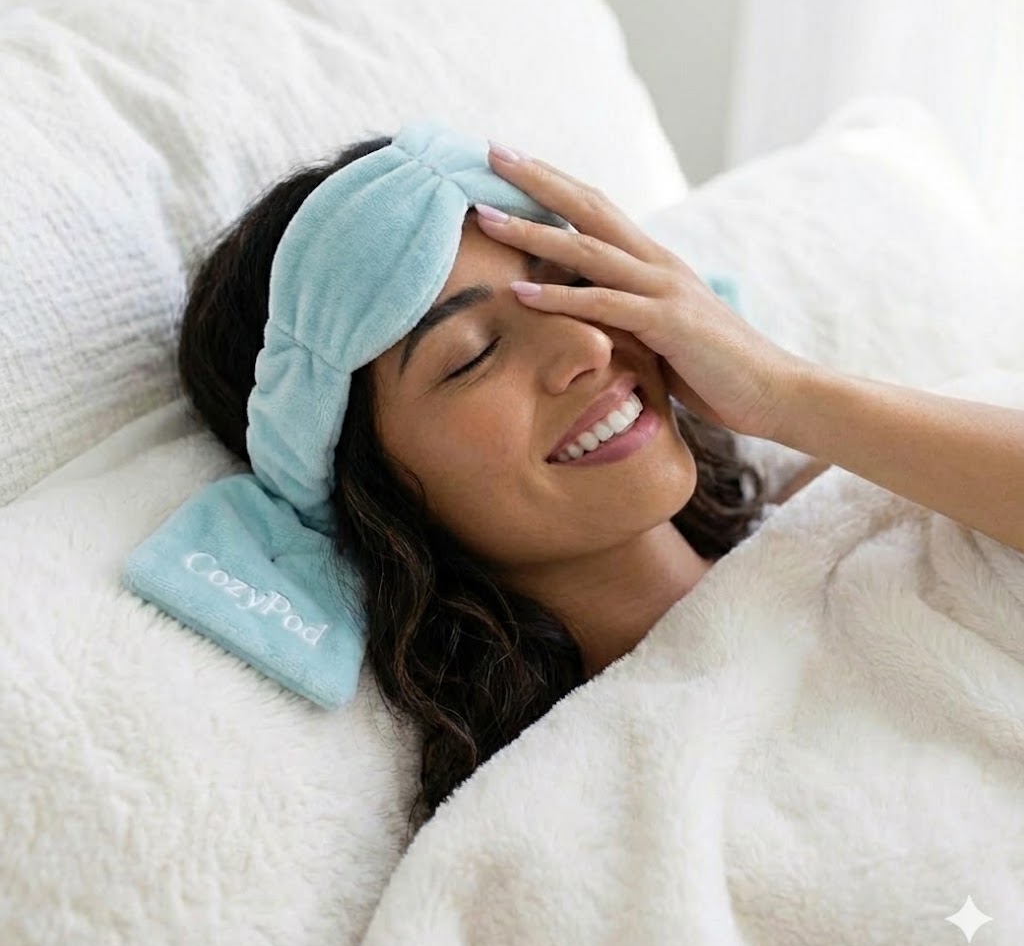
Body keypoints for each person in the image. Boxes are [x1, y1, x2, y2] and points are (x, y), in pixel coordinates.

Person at [177, 133, 1021, 832]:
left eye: (575, 284)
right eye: (473, 354)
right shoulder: (559, 821)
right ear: (369, 489)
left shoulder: (880, 494)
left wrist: (785, 395)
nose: (586, 344)